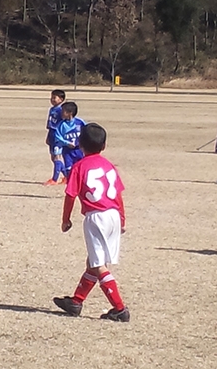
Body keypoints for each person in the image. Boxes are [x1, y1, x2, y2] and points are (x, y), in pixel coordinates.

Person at [53, 123, 130, 322]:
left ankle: (119, 308)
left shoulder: (80, 167)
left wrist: (65, 219)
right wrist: (122, 217)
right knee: (94, 261)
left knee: (99, 265)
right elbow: (118, 195)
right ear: (104, 145)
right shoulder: (109, 166)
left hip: (96, 217)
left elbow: (70, 195)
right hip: (113, 214)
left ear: (80, 144)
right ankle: (76, 302)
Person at [53, 101, 85, 181]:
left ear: (70, 113)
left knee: (81, 168)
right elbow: (57, 137)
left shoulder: (80, 123)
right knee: (69, 170)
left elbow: (87, 133)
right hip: (67, 152)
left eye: (63, 111)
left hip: (79, 150)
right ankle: (71, 187)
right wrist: (66, 143)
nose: (61, 113)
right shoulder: (61, 125)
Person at [44, 89, 66, 185]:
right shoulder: (52, 109)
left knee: (57, 157)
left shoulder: (62, 111)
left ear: (61, 99)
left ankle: (54, 179)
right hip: (51, 134)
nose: (52, 99)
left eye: (54, 97)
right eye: (51, 97)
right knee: (53, 157)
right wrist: (48, 136)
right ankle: (67, 176)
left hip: (58, 135)